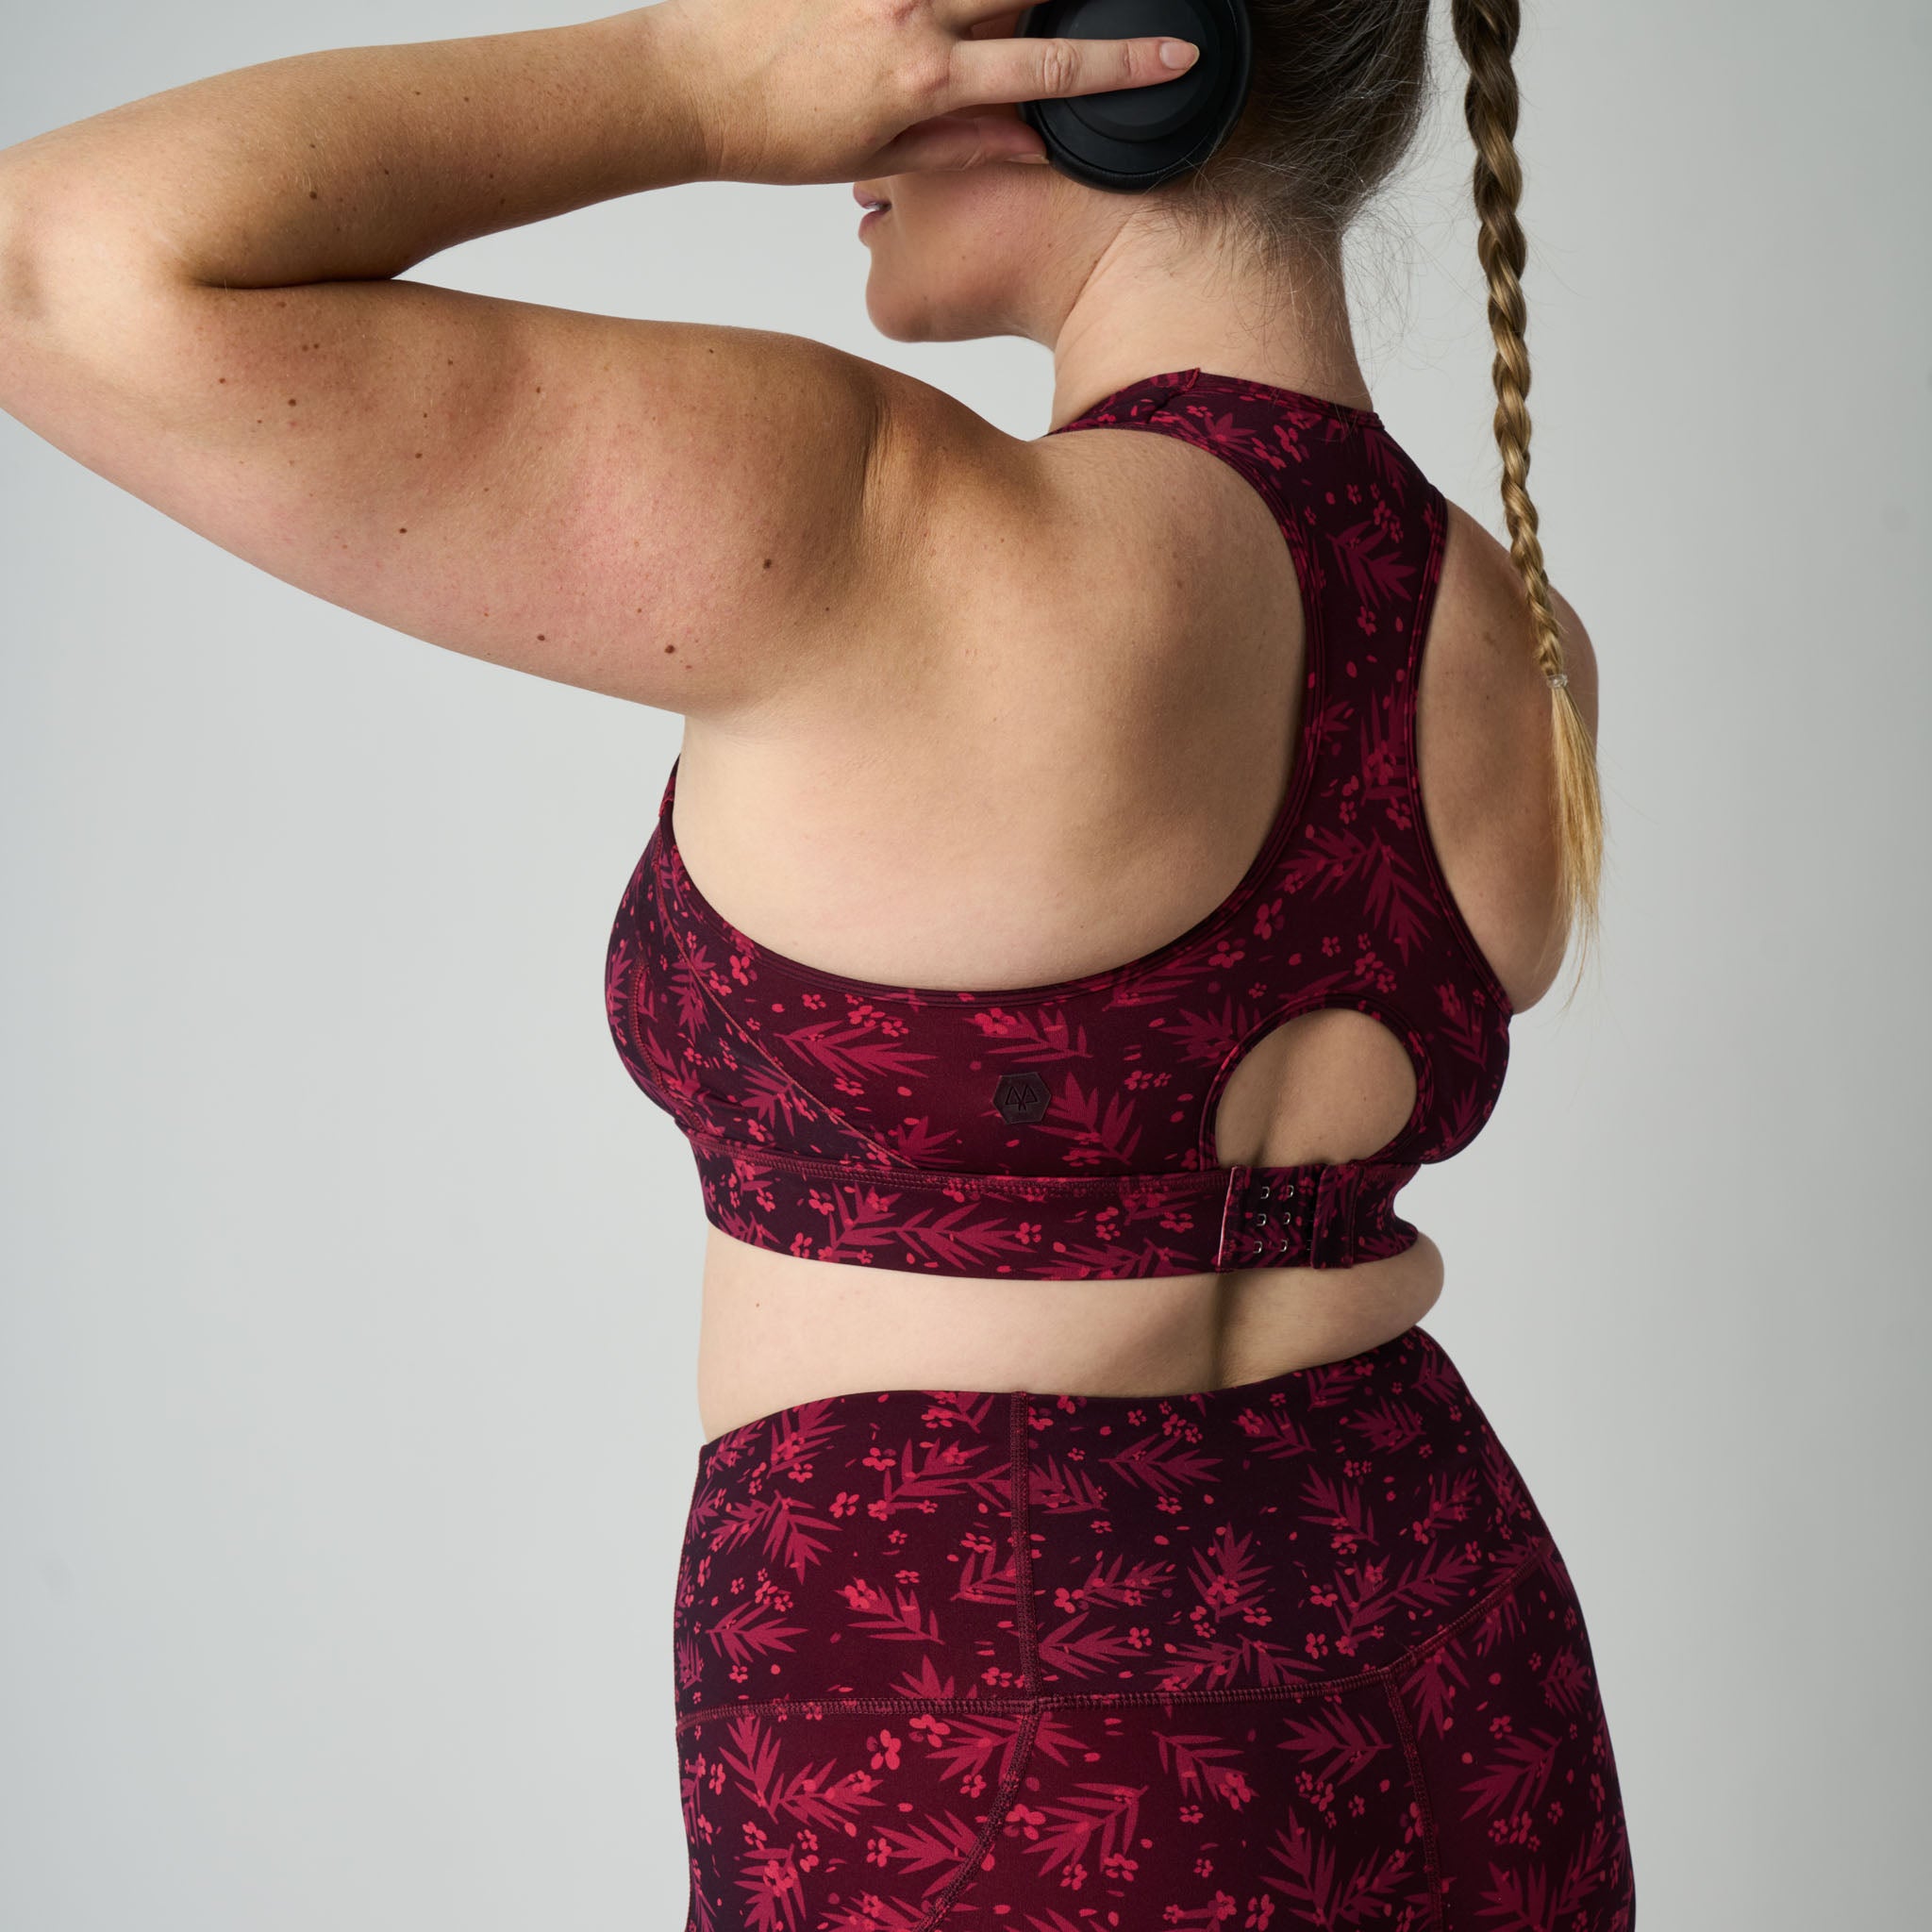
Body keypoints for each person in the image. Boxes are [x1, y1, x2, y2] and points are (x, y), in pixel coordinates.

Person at [0, 0, 1634, 1921]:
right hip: (1457, 1685)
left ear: (1127, 49)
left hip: (1011, 1767)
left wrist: (699, 82)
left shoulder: (901, 528)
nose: (846, 47)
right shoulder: (1516, 643)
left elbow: (57, 266)